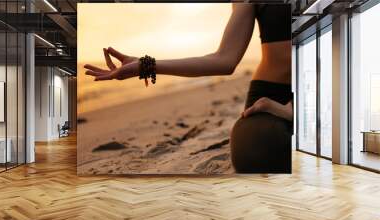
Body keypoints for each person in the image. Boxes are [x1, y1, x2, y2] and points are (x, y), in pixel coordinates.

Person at [84, 4, 293, 173]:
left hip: (321, 91)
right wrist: (146, 65)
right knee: (255, 154)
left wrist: (294, 109)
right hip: (270, 96)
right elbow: (224, 60)